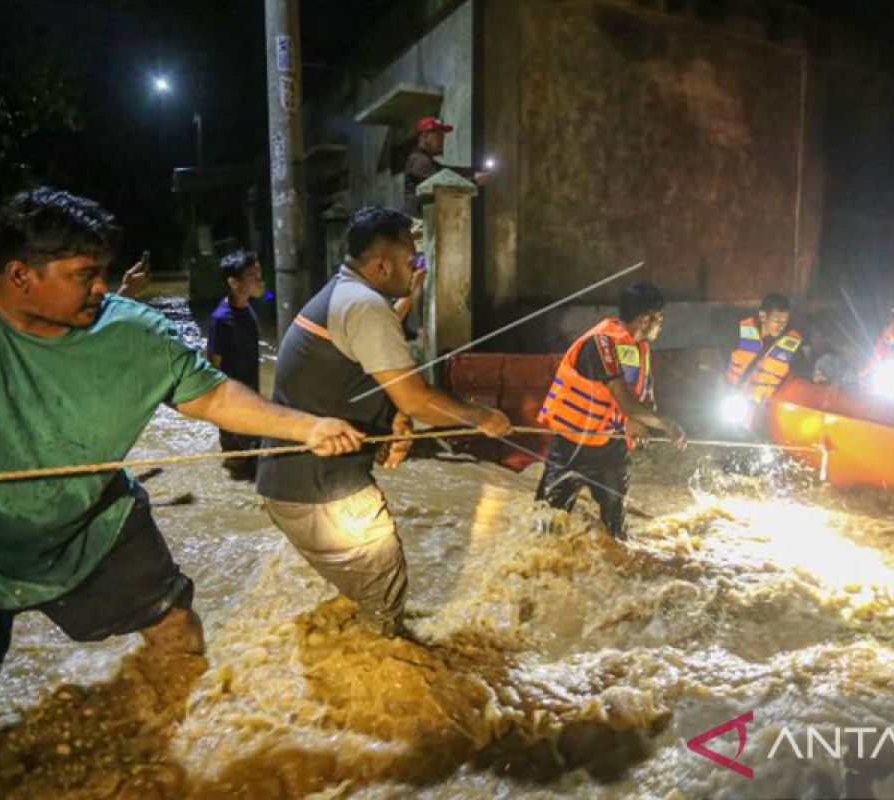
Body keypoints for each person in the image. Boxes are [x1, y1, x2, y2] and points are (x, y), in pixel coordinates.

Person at [0, 187, 363, 798]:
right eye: (84, 274)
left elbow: (212, 395)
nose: (102, 287)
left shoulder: (133, 333)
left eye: (104, 272)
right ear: (19, 275)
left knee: (175, 632)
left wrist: (307, 426)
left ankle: (189, 762)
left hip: (92, 526)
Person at [256, 206, 511, 637]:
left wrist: (392, 418)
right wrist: (483, 416)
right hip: (321, 490)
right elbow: (419, 401)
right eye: (411, 257)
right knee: (384, 603)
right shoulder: (362, 306)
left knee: (366, 596)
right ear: (382, 264)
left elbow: (376, 367)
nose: (416, 264)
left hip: (292, 483)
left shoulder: (344, 293)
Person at [535, 282, 686, 540]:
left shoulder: (640, 350)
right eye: (659, 319)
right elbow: (624, 399)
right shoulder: (600, 344)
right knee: (545, 531)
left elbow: (639, 399)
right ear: (646, 320)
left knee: (615, 532)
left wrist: (635, 422)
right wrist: (666, 424)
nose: (661, 326)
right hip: (572, 448)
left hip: (610, 448)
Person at [206, 250, 265, 481]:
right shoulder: (222, 319)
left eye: (258, 273)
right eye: (252, 275)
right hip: (232, 400)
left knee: (253, 454)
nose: (260, 280)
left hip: (250, 394)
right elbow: (213, 364)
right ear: (233, 282)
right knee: (239, 463)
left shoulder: (247, 309)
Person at [722, 292, 805, 428]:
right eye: (776, 320)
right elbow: (721, 361)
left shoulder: (792, 345)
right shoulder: (738, 332)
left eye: (784, 321)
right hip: (731, 399)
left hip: (762, 410)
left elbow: (799, 375)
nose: (781, 326)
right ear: (762, 316)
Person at [402, 116, 490, 217]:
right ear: (424, 136)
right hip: (417, 225)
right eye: (438, 135)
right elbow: (443, 185)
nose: (442, 140)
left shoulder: (425, 160)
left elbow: (449, 171)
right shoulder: (418, 160)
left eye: (443, 136)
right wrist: (474, 181)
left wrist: (475, 170)